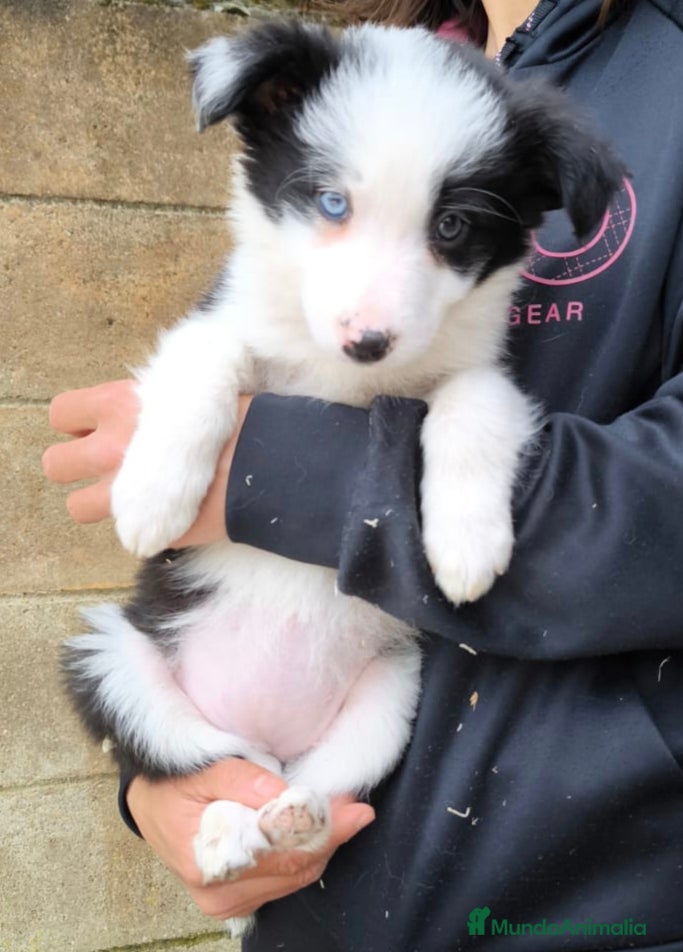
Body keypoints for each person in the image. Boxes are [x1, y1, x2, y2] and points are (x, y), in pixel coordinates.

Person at [43, 0, 683, 948]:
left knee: (387, 685)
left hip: (572, 893)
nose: (372, 313)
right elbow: (212, 350)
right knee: (110, 663)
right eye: (333, 205)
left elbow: (487, 402)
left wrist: (266, 470)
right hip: (320, 905)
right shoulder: (384, 61)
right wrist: (163, 792)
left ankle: (290, 800)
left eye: (450, 227)